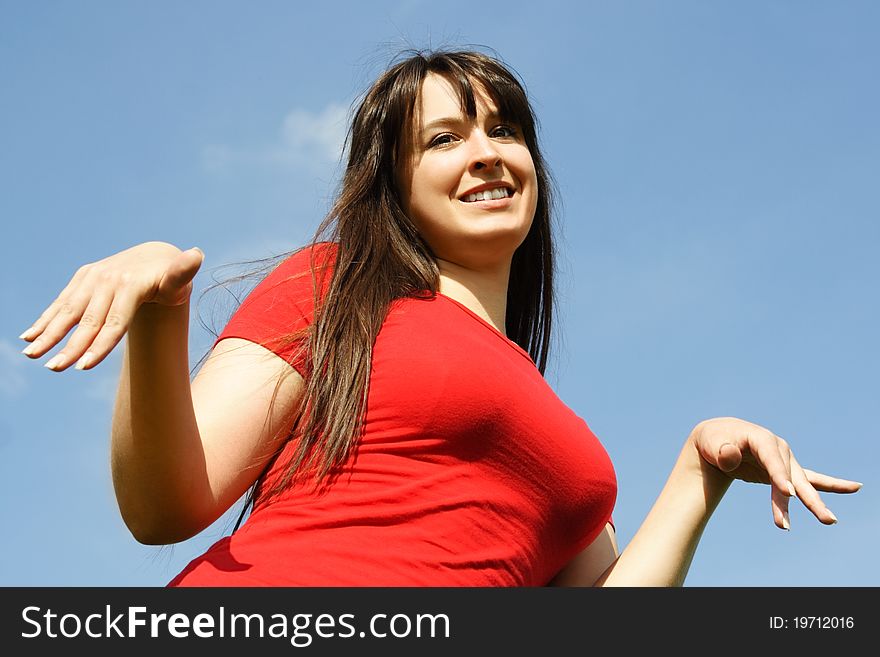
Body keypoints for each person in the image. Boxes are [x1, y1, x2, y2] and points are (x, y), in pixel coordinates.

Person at [19, 49, 861, 587]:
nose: (487, 152)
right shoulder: (337, 288)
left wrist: (696, 471)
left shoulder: (563, 446)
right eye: (445, 139)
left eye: (503, 130)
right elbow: (165, 505)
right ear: (397, 186)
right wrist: (162, 315)